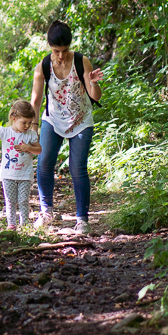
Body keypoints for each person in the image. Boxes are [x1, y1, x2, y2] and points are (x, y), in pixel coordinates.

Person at [30, 20, 103, 234]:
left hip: (80, 121)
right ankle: (46, 213)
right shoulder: (43, 67)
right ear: (49, 46)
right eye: (56, 51)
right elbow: (35, 101)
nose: (61, 55)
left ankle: (82, 220)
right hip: (53, 119)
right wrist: (33, 130)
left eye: (64, 50)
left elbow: (94, 96)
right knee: (44, 163)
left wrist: (94, 83)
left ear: (70, 46)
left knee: (77, 168)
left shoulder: (81, 61)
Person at [0, 100, 41, 229]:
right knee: (10, 201)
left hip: (25, 174)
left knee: (24, 200)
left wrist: (28, 148)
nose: (27, 125)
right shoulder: (5, 132)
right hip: (8, 174)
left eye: (29, 123)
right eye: (24, 122)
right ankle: (11, 224)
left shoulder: (30, 135)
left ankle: (24, 224)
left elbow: (38, 150)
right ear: (14, 119)